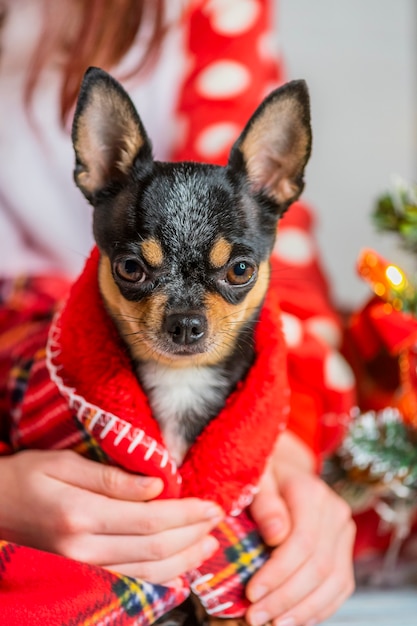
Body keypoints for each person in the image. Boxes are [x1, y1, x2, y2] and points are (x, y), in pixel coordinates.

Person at [0, 1, 356, 625]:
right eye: (137, 271)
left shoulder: (206, 11)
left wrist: (288, 460)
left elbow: (291, 284)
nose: (187, 317)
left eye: (235, 273)